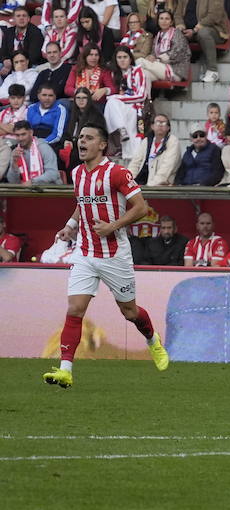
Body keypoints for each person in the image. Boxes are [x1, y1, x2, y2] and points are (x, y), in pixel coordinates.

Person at [42, 124, 170, 389]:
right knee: (75, 309)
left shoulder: (117, 173)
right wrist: (70, 226)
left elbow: (141, 207)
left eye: (88, 138)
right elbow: (82, 203)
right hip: (85, 253)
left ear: (102, 145)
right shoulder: (77, 173)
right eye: (80, 138)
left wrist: (112, 226)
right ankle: (66, 369)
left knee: (130, 312)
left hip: (114, 255)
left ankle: (152, 340)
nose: (81, 142)